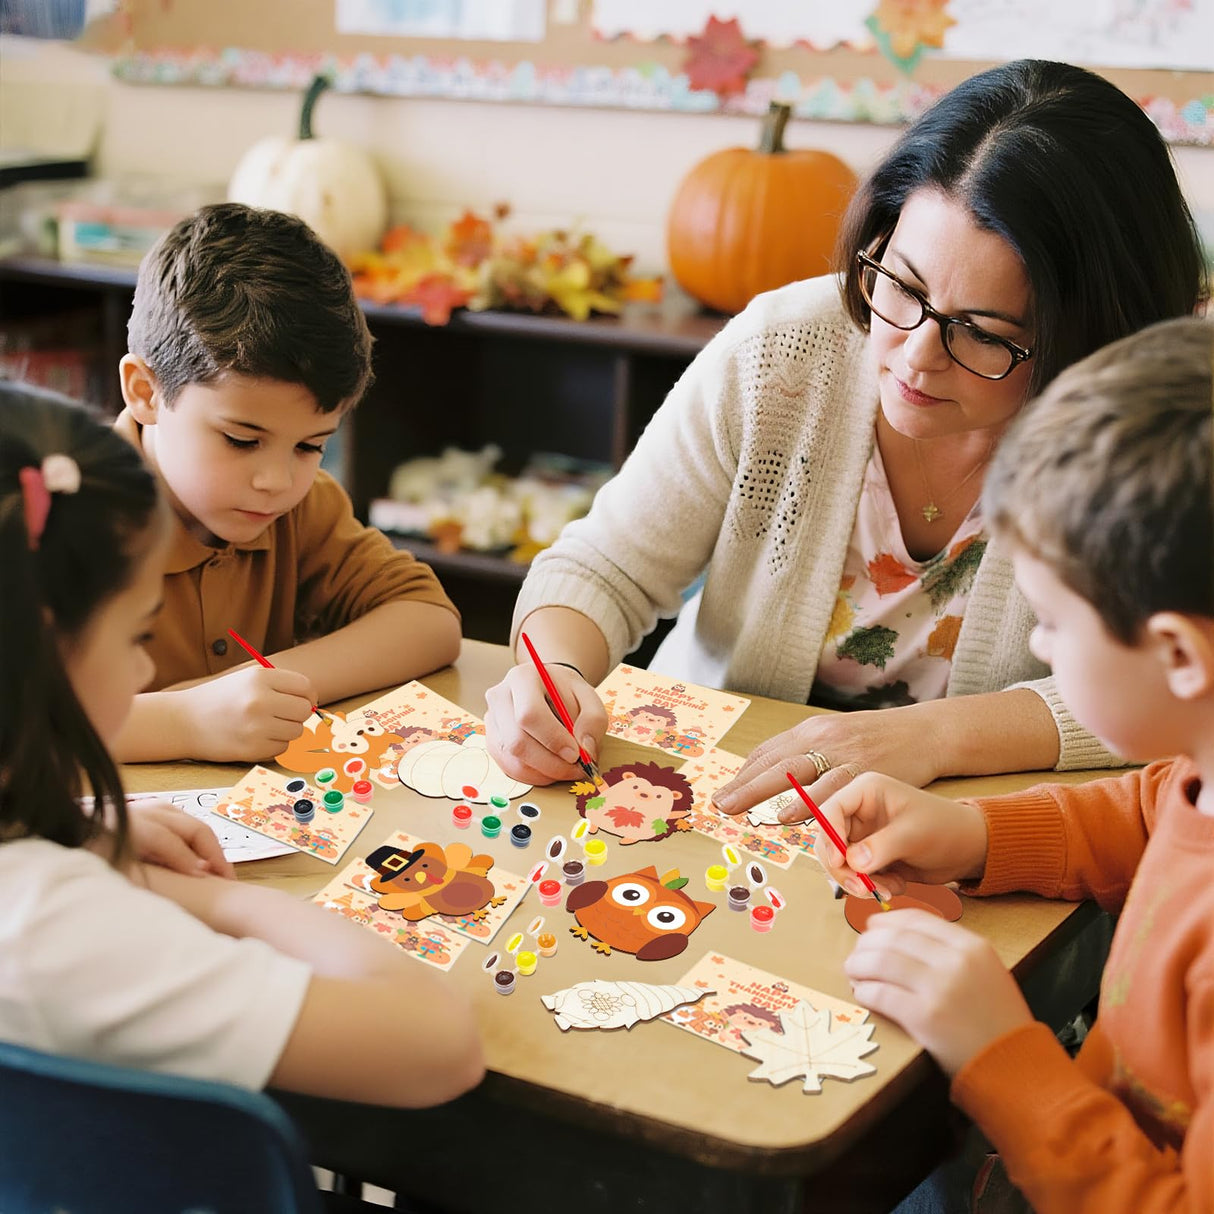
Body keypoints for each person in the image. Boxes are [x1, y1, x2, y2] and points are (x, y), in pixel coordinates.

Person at [483, 60, 1206, 814]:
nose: (916, 356)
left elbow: (1183, 691)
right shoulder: (784, 351)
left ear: (1089, 337)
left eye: (984, 334)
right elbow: (606, 567)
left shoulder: (1157, 432)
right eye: (903, 287)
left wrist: (937, 737)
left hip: (983, 830)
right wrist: (554, 671)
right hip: (720, 789)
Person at [811, 317, 1213, 1213]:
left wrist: (1001, 1050)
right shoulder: (1202, 769)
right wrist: (972, 832)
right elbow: (1158, 818)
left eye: (1055, 625)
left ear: (1181, 656)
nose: (1035, 644)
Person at [0, 382, 484, 1106]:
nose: (143, 672)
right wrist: (213, 905)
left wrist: (68, 830)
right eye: (135, 635)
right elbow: (440, 1046)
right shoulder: (48, 921)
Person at [113, 202, 461, 763]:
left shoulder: (301, 506)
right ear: (146, 393)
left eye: (310, 446)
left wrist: (265, 687)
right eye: (241, 440)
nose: (276, 481)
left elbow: (429, 621)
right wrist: (184, 719)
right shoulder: (54, 515)